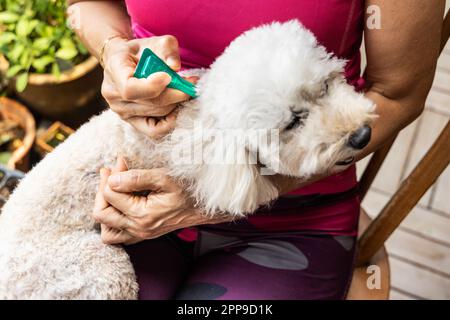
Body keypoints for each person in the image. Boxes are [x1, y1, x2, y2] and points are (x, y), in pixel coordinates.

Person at [68, 0, 444, 299]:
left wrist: (211, 202)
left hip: (294, 216)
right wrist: (112, 48)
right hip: (136, 195)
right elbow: (85, 5)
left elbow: (398, 94)